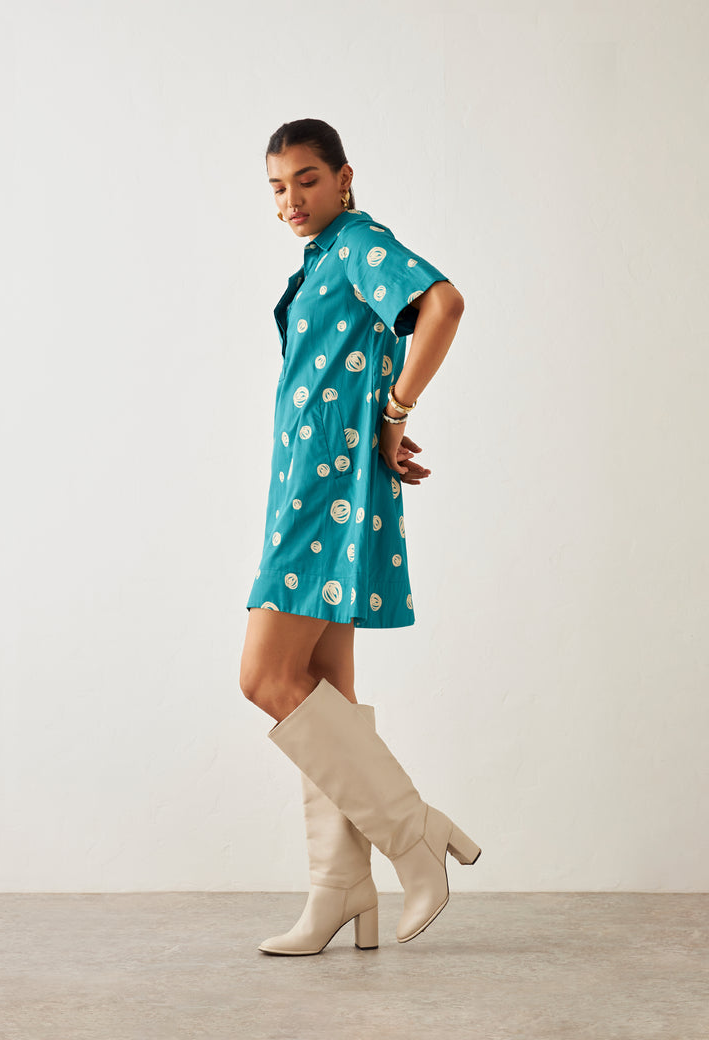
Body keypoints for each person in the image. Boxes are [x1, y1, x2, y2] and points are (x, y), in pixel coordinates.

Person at [239, 118, 480, 956]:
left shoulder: (356, 243)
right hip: (317, 485)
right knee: (323, 692)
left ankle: (415, 836)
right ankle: (339, 888)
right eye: (277, 187)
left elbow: (443, 304)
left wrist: (397, 409)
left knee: (265, 678)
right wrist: (382, 419)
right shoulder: (322, 258)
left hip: (322, 495)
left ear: (344, 177)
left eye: (306, 180)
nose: (291, 200)